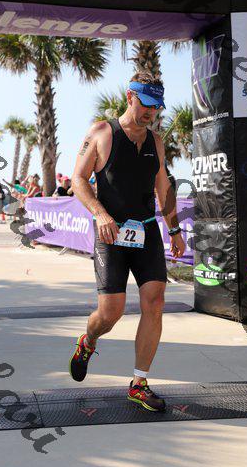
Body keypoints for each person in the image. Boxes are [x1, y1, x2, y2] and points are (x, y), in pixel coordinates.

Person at [69, 72, 186, 413]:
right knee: (111, 313)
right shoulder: (102, 132)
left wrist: (174, 230)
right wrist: (100, 214)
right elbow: (78, 179)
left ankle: (139, 383)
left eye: (156, 107)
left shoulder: (156, 142)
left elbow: (164, 188)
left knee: (155, 300)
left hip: (146, 231)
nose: (151, 112)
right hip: (111, 233)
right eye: (146, 105)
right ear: (130, 96)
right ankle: (88, 341)